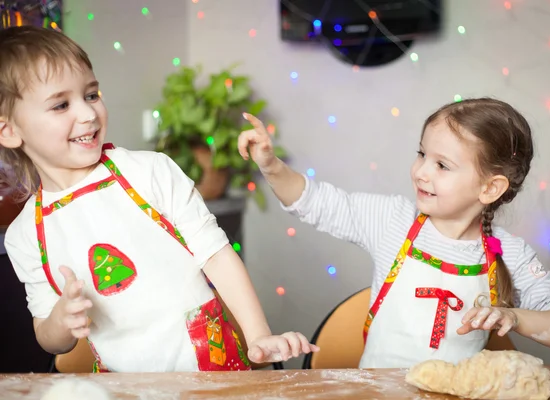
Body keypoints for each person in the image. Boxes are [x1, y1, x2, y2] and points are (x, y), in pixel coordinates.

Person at [0, 26, 318, 373]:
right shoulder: (26, 234)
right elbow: (48, 336)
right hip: (123, 387)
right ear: (9, 131)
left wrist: (258, 336)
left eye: (91, 95)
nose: (88, 114)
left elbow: (217, 256)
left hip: (211, 367)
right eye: (61, 104)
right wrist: (60, 322)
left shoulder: (151, 171)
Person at [238, 98, 550, 368]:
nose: (421, 171)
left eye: (442, 165)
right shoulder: (393, 220)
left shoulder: (507, 253)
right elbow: (314, 201)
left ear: (490, 188)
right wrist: (270, 165)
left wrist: (513, 316)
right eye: (422, 154)